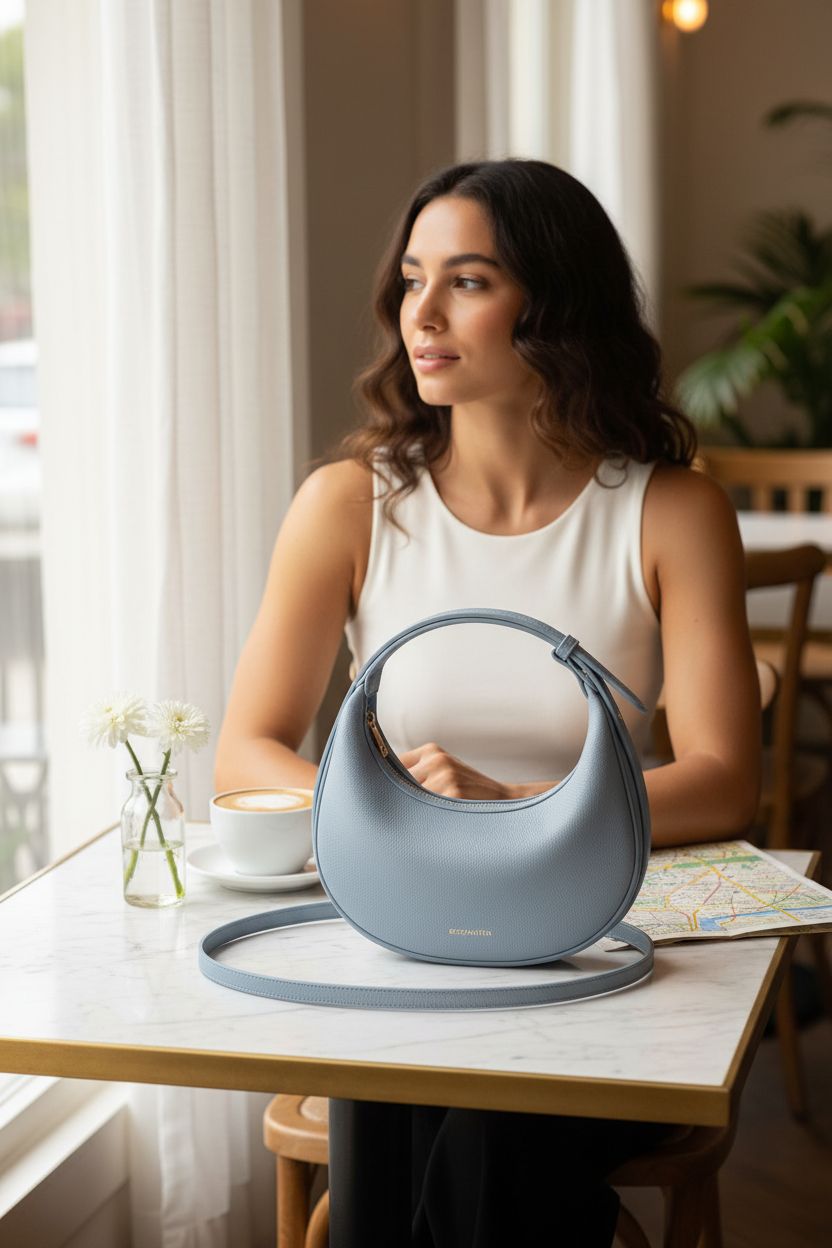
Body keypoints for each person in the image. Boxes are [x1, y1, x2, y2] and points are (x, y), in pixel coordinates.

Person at [215, 159, 761, 1246]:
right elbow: (245, 752)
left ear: (553, 307)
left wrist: (512, 806)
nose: (418, 313)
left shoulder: (671, 512)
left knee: (482, 1142)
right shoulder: (351, 504)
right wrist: (403, 813)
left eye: (466, 281)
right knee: (395, 1100)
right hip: (401, 943)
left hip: (599, 961)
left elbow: (723, 781)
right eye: (413, 278)